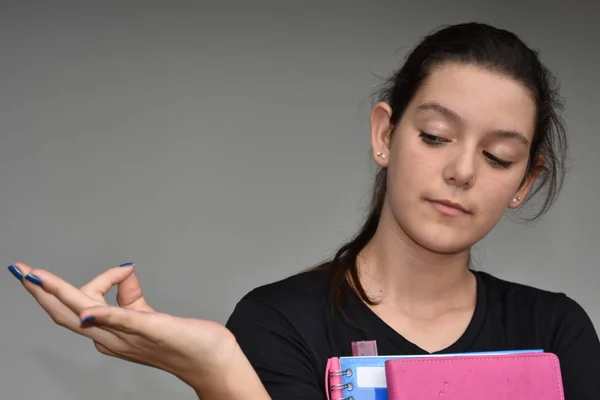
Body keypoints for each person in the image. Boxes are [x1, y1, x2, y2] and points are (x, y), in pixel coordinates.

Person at [7, 21, 600, 400]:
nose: (463, 171)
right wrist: (218, 370)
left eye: (498, 157)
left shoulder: (555, 331)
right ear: (385, 135)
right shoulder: (277, 322)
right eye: (437, 136)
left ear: (525, 181)